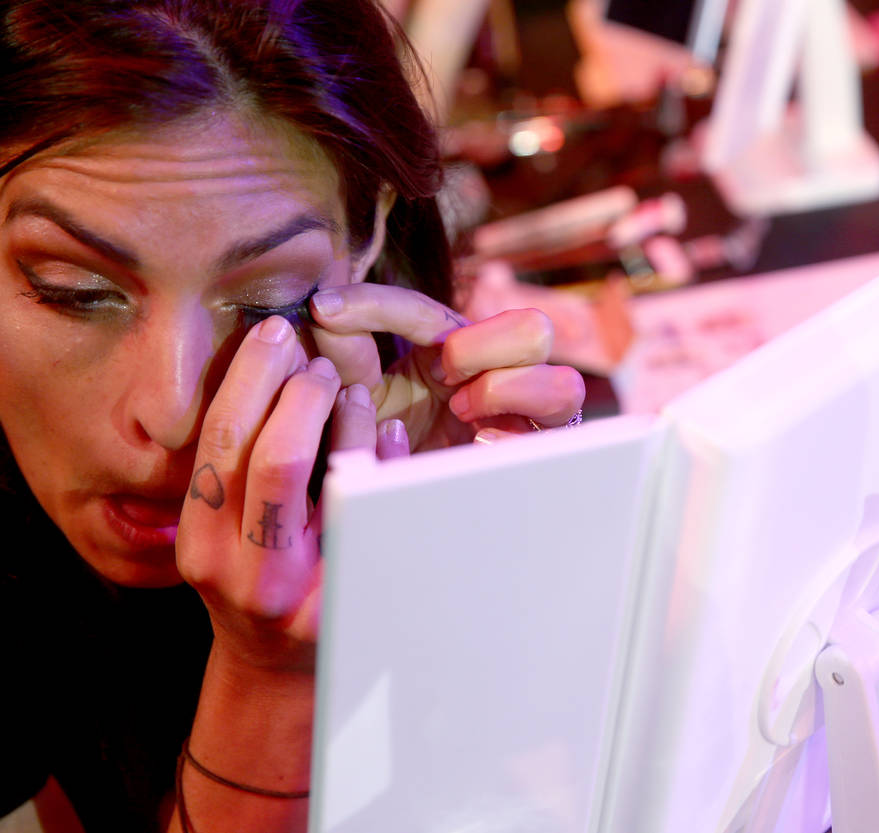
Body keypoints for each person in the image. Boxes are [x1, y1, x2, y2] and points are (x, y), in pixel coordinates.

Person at [0, 1, 586, 831]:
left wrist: (463, 568)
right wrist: (273, 679)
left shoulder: (404, 430)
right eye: (75, 291)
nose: (170, 413)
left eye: (269, 300)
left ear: (372, 227)